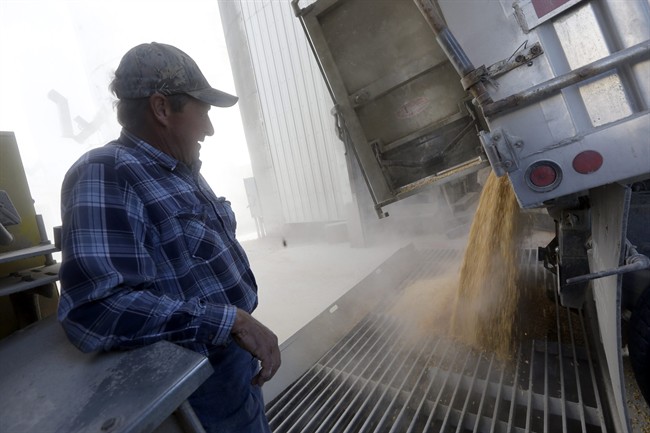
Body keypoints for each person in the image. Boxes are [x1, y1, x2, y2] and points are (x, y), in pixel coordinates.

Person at [57, 42, 280, 433]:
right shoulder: (107, 172)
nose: (209, 129)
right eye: (204, 111)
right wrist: (230, 321)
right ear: (162, 108)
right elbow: (95, 311)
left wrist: (237, 326)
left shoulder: (180, 169)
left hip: (233, 362)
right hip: (195, 383)